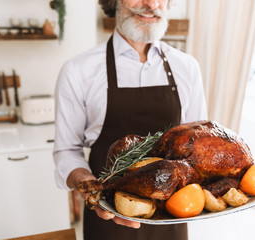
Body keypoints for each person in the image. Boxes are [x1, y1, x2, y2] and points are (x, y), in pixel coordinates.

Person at [53, 0, 207, 239]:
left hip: (172, 216)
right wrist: (86, 184)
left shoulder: (187, 67)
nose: (151, 4)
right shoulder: (78, 71)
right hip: (107, 214)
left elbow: (197, 147)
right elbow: (66, 150)